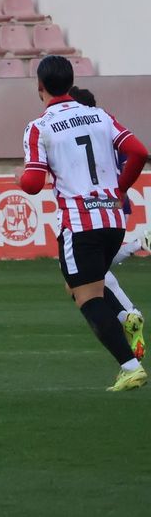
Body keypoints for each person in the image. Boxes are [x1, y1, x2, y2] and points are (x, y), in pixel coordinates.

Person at [17, 58, 149, 390]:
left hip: (79, 222)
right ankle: (126, 315)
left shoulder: (40, 126)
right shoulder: (101, 115)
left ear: (39, 87)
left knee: (87, 296)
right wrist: (118, 190)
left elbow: (33, 182)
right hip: (113, 219)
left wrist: (20, 178)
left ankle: (130, 366)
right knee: (80, 284)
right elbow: (138, 152)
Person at [67, 87, 148, 351]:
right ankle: (138, 245)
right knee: (93, 267)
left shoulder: (71, 129)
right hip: (113, 202)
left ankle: (128, 315)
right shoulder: (106, 124)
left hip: (90, 204)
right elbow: (131, 156)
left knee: (84, 272)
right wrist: (120, 188)